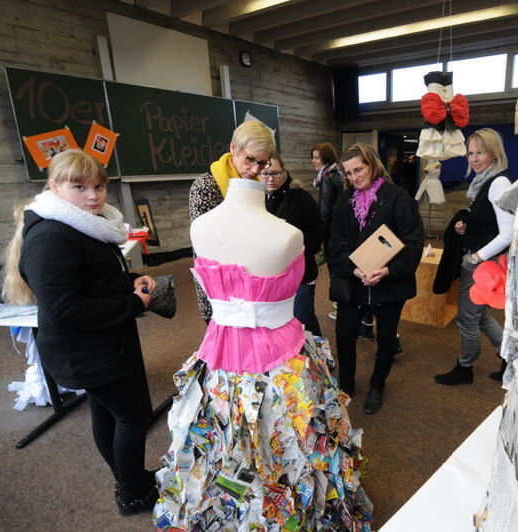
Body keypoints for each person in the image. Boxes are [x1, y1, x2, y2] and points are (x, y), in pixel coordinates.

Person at [154, 178, 372, 529]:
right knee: (224, 439)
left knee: (293, 437)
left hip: (275, 356)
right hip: (236, 353)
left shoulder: (286, 233)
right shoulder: (209, 227)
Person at [2, 149, 158, 515]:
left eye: (99, 186)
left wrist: (131, 282)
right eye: (80, 187)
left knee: (107, 414)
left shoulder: (81, 224)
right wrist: (134, 304)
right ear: (54, 186)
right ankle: (133, 492)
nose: (93, 195)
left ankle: (129, 479)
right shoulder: (51, 239)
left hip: (99, 344)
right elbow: (67, 308)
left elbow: (94, 279)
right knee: (131, 417)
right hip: (87, 350)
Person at [328, 143, 424, 414]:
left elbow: (413, 241)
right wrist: (355, 270)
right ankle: (346, 384)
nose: (354, 177)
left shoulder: (398, 198)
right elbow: (336, 242)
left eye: (358, 169)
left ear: (372, 165)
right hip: (352, 282)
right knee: (345, 336)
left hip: (389, 284)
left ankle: (377, 386)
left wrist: (388, 270)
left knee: (386, 340)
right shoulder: (343, 201)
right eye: (348, 173)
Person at [435, 128, 515, 386]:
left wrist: (476, 258)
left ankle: (465, 367)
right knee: (479, 316)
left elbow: (508, 233)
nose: (475, 158)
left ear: (494, 153)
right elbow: (489, 223)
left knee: (467, 318)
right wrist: (466, 227)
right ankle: (510, 359)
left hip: (483, 264)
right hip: (483, 261)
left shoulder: (498, 182)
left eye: (480, 152)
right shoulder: (484, 182)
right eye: (470, 153)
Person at [189, 120, 276, 322]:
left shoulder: (254, 186)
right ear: (233, 148)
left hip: (252, 283)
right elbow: (207, 247)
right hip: (220, 291)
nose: (255, 169)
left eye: (263, 162)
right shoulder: (206, 186)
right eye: (249, 159)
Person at [261, 153, 324, 336]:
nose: (270, 179)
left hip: (301, 271)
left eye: (276, 173)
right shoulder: (256, 200)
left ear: (285, 173)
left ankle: (318, 356)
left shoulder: (300, 198)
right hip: (271, 273)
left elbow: (318, 230)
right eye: (265, 174)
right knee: (278, 321)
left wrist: (301, 254)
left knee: (303, 316)